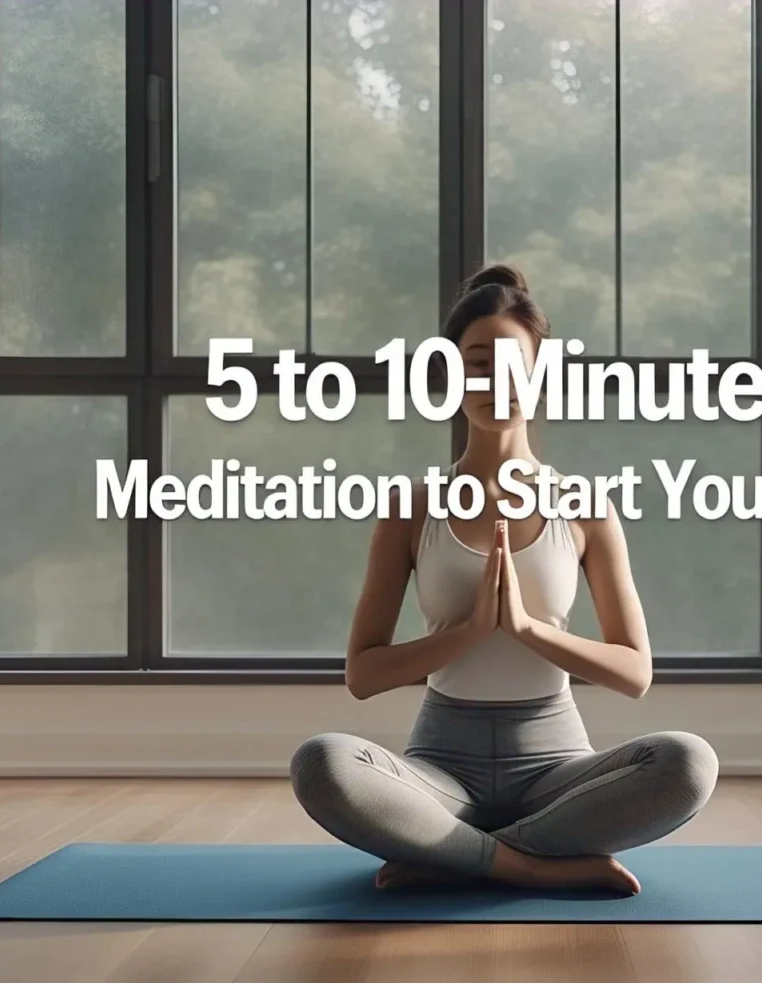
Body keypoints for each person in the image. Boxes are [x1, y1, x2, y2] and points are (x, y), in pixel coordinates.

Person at [290, 264, 719, 894]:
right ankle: (524, 863)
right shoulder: (412, 507)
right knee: (321, 763)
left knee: (688, 762)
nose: (495, 380)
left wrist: (525, 629)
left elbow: (634, 672)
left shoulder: (583, 504)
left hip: (557, 773)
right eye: (477, 361)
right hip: (441, 774)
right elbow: (363, 675)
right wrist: (468, 633)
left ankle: (447, 855)